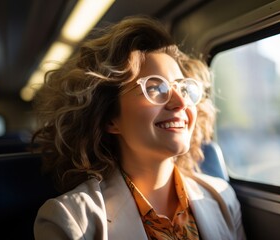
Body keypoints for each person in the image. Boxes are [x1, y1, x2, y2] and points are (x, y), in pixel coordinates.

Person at [33, 15, 245, 240]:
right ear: (109, 119)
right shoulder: (70, 221)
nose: (181, 102)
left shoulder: (223, 198)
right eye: (156, 88)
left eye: (183, 89)